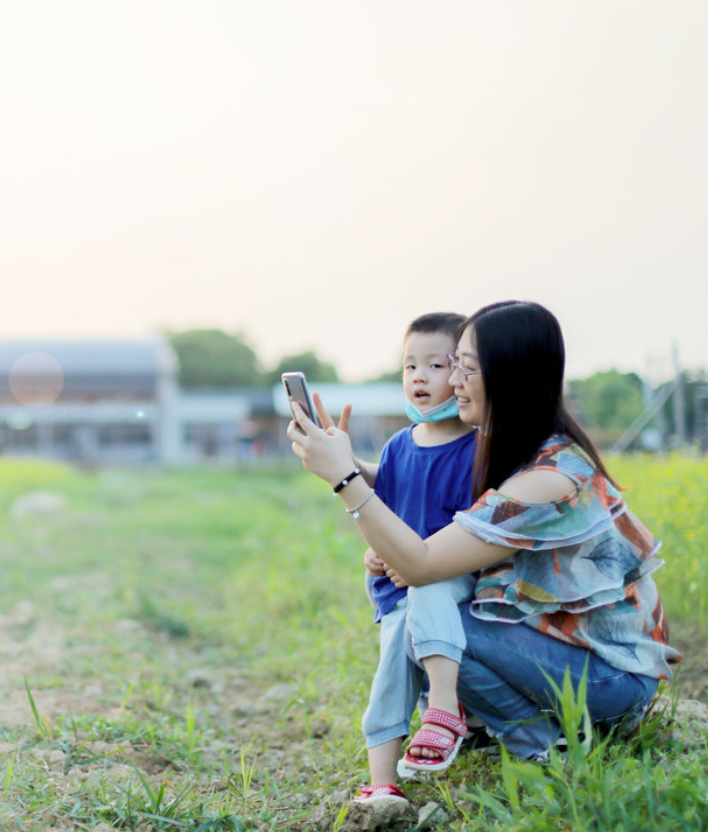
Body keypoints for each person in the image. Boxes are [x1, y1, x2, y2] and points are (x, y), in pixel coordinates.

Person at [289, 300, 679, 766]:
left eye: (465, 368)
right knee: (431, 620)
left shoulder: (551, 477)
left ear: (508, 378)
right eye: (452, 364)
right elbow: (417, 494)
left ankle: (536, 743)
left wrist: (344, 480)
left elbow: (422, 565)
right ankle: (529, 735)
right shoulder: (510, 448)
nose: (452, 381)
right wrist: (350, 465)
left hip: (610, 681)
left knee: (426, 621)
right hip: (559, 651)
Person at [339, 313, 477, 808]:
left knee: (425, 602)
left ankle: (444, 709)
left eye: (435, 365)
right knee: (390, 672)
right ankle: (382, 780)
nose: (419, 376)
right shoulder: (400, 444)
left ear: (461, 371)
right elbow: (389, 504)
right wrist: (377, 553)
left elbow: (469, 532)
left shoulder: (476, 448)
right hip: (396, 586)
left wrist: (415, 561)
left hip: (445, 578)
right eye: (409, 365)